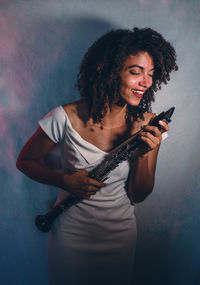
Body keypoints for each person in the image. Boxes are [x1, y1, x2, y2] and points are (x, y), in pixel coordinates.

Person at [16, 27, 178, 285]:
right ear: (108, 69)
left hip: (120, 236)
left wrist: (144, 154)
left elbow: (139, 194)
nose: (146, 82)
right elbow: (24, 161)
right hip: (70, 235)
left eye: (151, 74)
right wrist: (65, 181)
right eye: (136, 72)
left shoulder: (150, 125)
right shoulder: (63, 117)